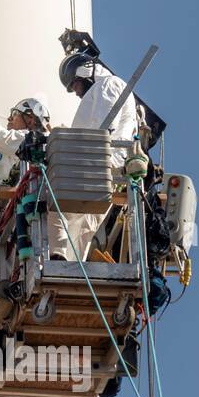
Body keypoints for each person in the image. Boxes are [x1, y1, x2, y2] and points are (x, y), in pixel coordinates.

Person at [50, 53, 139, 259]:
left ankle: (56, 258)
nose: (75, 92)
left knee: (54, 204)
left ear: (85, 70)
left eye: (75, 84)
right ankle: (70, 268)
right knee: (83, 228)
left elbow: (102, 127)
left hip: (95, 163)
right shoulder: (108, 87)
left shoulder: (108, 85)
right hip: (106, 172)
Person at [0, 92, 51, 221]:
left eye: (14, 114)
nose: (9, 118)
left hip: (15, 223)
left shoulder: (27, 140)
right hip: (0, 226)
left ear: (30, 119)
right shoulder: (11, 151)